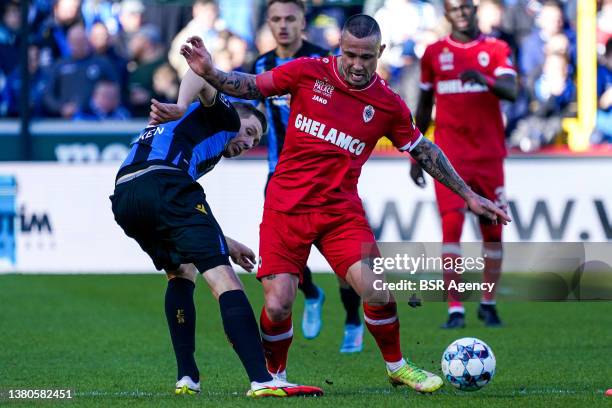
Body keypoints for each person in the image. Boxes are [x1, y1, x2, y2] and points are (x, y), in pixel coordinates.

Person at [178, 12, 510, 393]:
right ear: (340, 48)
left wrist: (469, 195)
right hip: (286, 207)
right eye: (350, 55)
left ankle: (397, 365)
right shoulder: (306, 71)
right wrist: (212, 73)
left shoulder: (388, 103)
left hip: (340, 212)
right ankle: (274, 377)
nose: (356, 65)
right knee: (278, 304)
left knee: (377, 289)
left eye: (366, 57)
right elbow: (252, 86)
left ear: (380, 52)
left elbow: (423, 149)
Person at [111, 69, 323, 398]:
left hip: (126, 195)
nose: (248, 142)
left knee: (181, 270)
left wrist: (226, 242)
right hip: (164, 182)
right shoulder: (223, 117)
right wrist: (183, 103)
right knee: (225, 280)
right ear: (236, 115)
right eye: (250, 132)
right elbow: (201, 76)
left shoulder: (194, 135)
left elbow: (182, 217)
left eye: (255, 141)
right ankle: (262, 380)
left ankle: (187, 378)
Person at [253, 0, 363, 352]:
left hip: (327, 179)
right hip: (280, 174)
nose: (283, 26)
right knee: (285, 259)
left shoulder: (325, 61)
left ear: (303, 22)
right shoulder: (262, 64)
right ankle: (312, 293)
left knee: (349, 262)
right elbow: (256, 107)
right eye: (276, 19)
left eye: (290, 19)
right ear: (268, 24)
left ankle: (352, 319)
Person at [410, 0, 518, 328]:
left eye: (466, 7)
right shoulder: (433, 53)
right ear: (446, 14)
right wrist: (417, 153)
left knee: (492, 231)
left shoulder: (496, 48)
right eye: (454, 8)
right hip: (450, 156)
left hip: (488, 155)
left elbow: (512, 90)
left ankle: (488, 302)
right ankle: (455, 308)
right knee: (452, 227)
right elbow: (425, 103)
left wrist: (483, 78)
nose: (460, 12)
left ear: (475, 10)